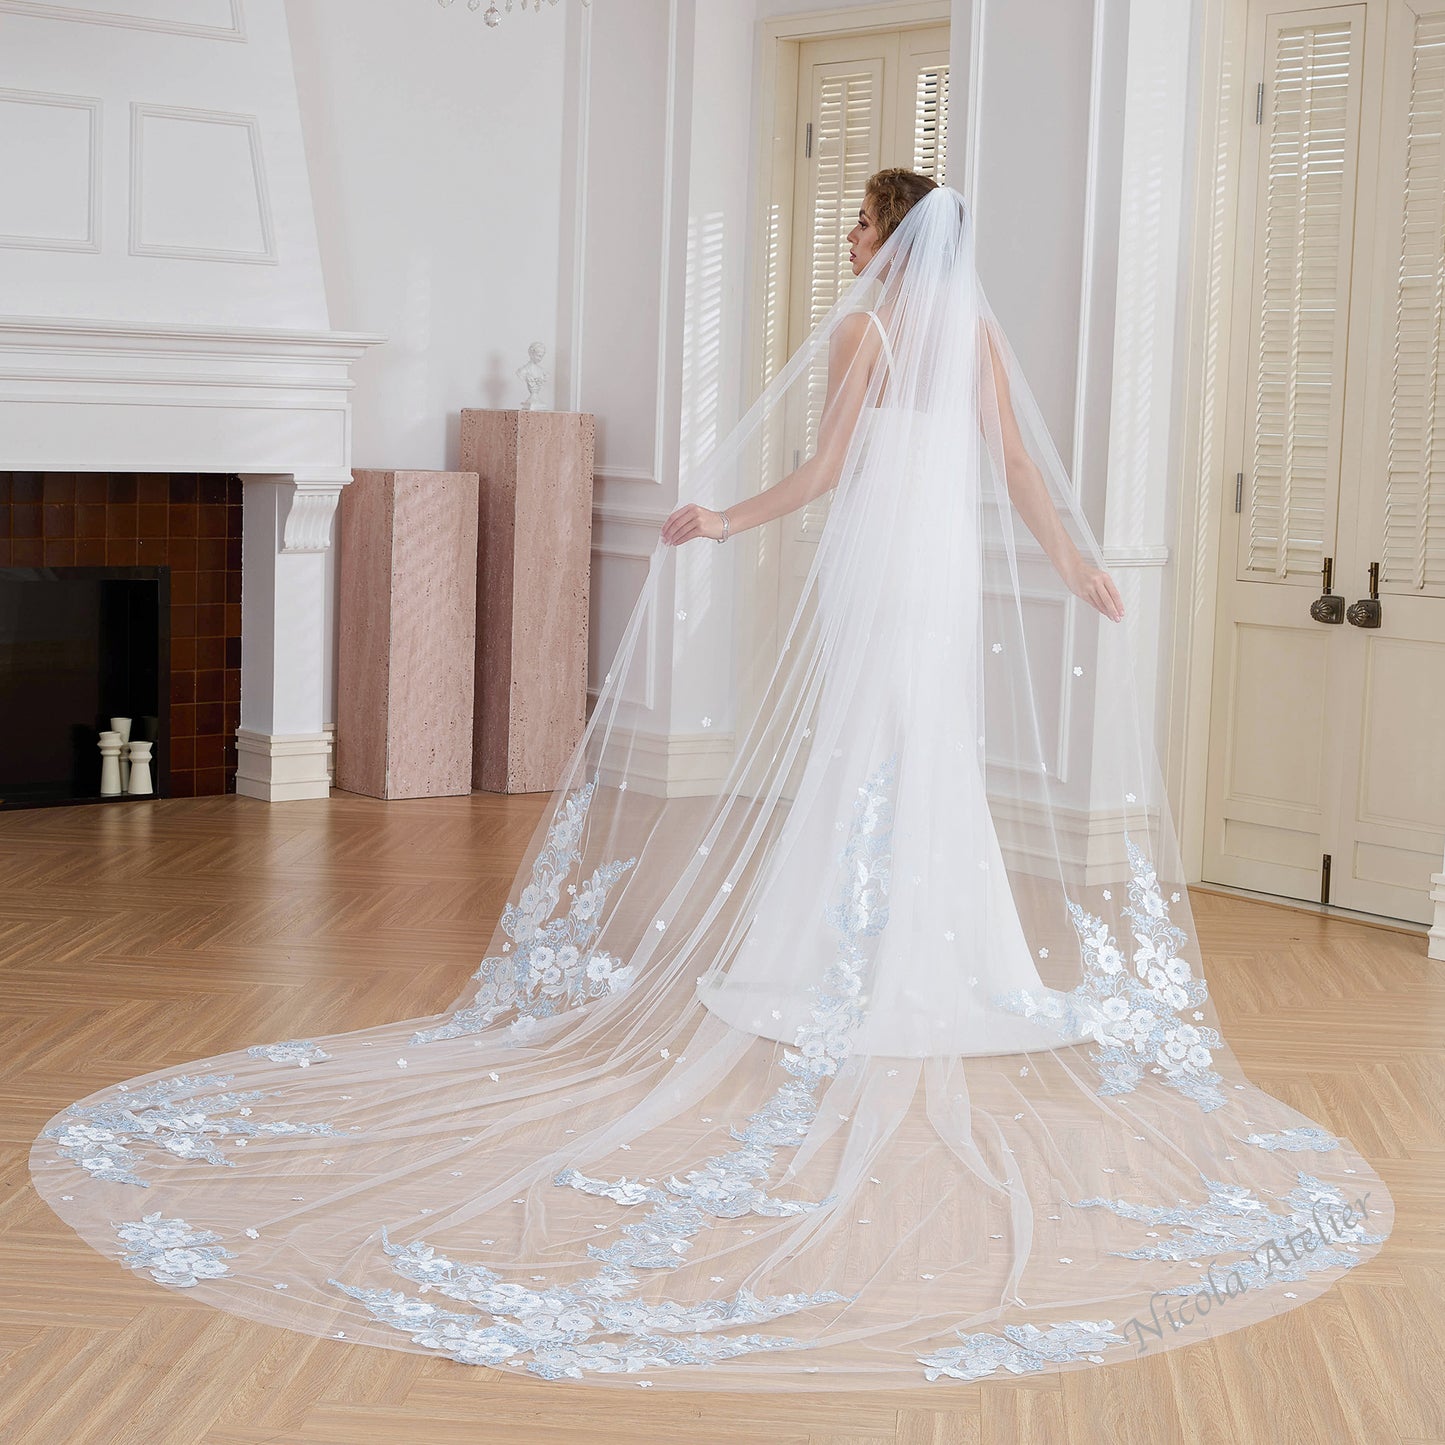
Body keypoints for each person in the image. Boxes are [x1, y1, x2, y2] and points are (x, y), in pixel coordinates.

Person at [30, 171, 1393, 1389]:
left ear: (888, 238)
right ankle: (935, 955)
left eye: (856, 220)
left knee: (864, 753)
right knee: (920, 759)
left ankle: (840, 953)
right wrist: (1074, 564)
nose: (844, 237)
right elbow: (1023, 470)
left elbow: (819, 472)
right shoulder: (968, 333)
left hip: (875, 570)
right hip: (940, 582)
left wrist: (714, 517)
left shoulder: (865, 332)